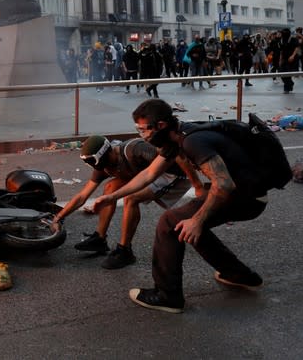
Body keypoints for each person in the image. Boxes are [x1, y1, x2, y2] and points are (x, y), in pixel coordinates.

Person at [92, 99, 270, 313]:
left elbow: (223, 184)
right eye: (137, 129)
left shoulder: (192, 142)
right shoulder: (173, 140)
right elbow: (148, 174)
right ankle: (239, 275)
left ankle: (167, 295)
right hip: (242, 194)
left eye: (143, 129)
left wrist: (198, 219)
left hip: (246, 197)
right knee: (185, 225)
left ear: (161, 125)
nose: (142, 135)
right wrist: (113, 197)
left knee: (170, 222)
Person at [52, 134, 204, 270]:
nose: (104, 169)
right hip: (143, 175)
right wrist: (59, 217)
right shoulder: (103, 165)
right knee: (110, 187)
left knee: (131, 198)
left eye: (102, 163)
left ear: (108, 152)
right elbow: (82, 196)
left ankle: (125, 251)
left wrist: (197, 185)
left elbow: (174, 155)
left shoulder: (136, 150)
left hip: (171, 174)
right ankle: (100, 239)